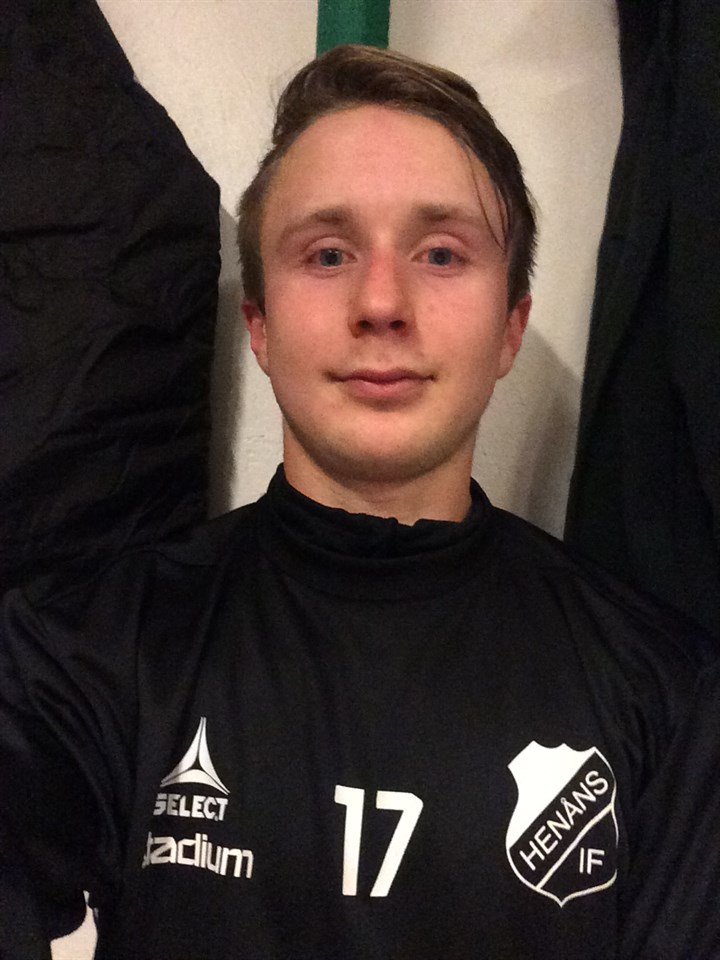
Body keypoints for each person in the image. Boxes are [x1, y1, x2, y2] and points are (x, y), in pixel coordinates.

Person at [0, 44, 716, 960]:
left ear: (510, 327)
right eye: (329, 253)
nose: (381, 301)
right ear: (260, 325)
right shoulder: (80, 654)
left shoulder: (668, 694)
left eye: (441, 252)